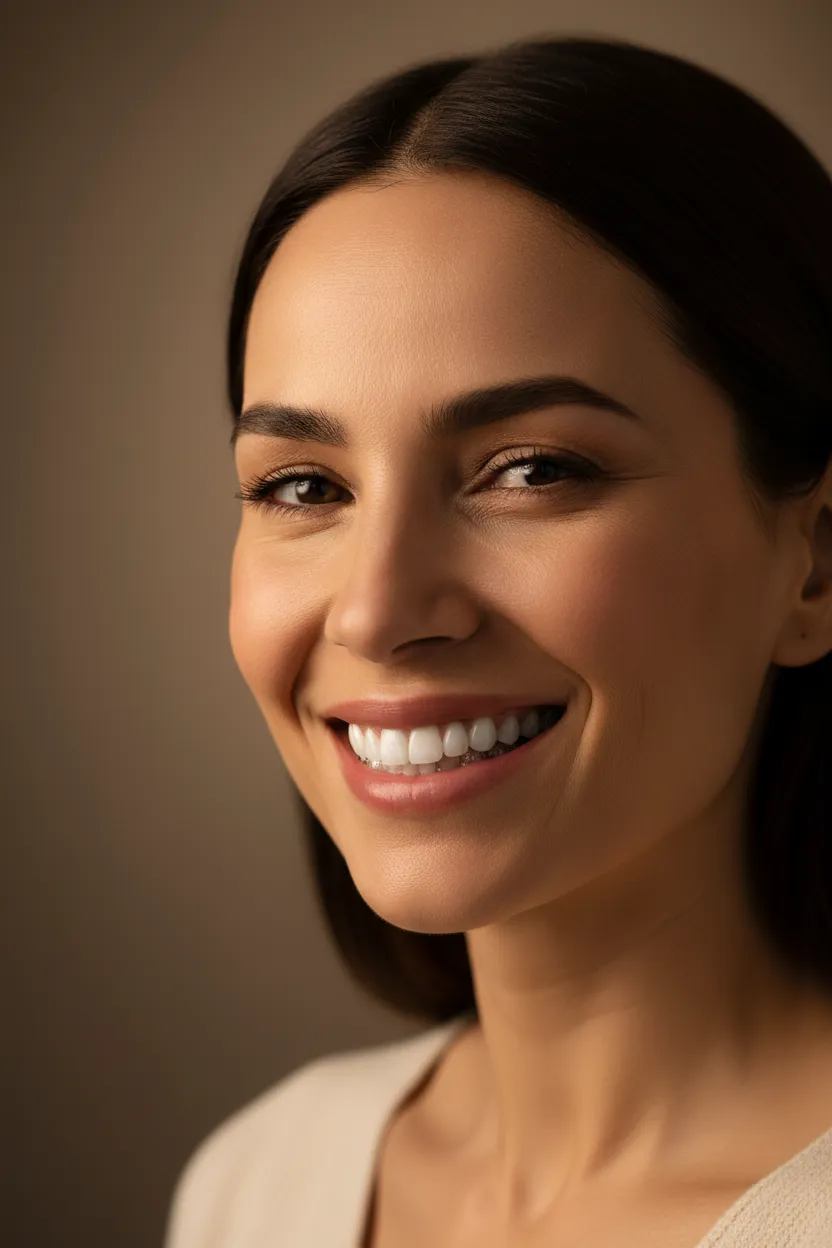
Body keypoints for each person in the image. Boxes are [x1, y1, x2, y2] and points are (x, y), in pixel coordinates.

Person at [164, 35, 832, 1247]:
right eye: (305, 487)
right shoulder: (252, 1185)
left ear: (816, 563)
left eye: (532, 470)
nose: (374, 611)